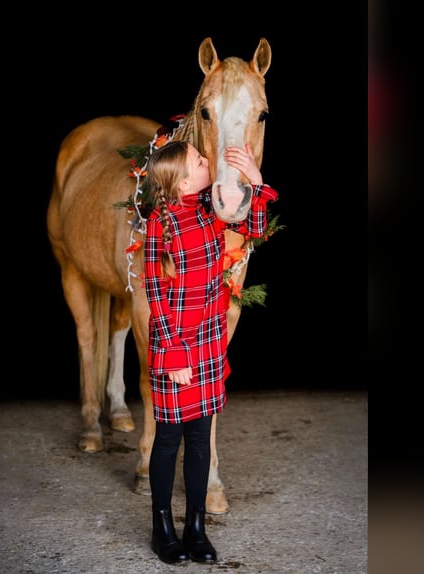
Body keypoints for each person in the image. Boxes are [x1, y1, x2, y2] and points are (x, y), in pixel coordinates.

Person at [143, 140, 279, 564]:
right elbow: (155, 292)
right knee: (168, 439)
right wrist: (174, 355)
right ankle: (162, 526)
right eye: (200, 162)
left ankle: (195, 526)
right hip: (176, 345)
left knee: (201, 435)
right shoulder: (157, 224)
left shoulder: (211, 205)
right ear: (183, 180)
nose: (208, 162)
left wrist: (255, 184)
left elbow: (254, 230)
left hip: (208, 339)